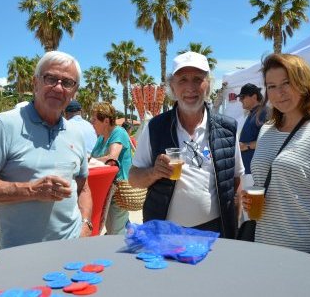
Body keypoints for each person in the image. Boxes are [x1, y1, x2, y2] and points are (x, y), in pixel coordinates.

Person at [0, 51, 93, 248]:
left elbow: (84, 187)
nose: (58, 88)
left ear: (74, 91)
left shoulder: (75, 132)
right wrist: (32, 190)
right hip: (21, 254)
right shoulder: (6, 124)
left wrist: (86, 225)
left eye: (67, 83)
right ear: (35, 83)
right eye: (51, 78)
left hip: (72, 250)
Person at [241, 53, 310, 262]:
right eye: (271, 86)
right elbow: (269, 184)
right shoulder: (266, 130)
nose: (279, 93)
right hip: (266, 245)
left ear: (303, 83)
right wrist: (250, 200)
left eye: (286, 83)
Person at [129, 51, 244, 239]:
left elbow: (235, 179)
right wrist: (154, 172)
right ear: (172, 87)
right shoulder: (155, 127)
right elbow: (133, 178)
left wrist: (234, 226)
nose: (190, 87)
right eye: (182, 80)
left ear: (208, 85)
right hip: (165, 232)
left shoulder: (228, 128)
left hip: (214, 231)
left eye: (198, 79)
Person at [90, 102, 132, 234]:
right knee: (114, 226)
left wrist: (89, 160)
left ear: (106, 121)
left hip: (117, 190)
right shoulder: (101, 138)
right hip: (105, 189)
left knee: (115, 229)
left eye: (94, 120)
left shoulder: (118, 132)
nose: (92, 123)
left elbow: (112, 158)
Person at [237, 83, 268, 186]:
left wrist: (246, 146)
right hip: (249, 171)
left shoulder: (263, 112)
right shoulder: (253, 113)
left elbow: (268, 141)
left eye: (242, 97)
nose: (240, 100)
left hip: (256, 173)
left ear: (254, 97)